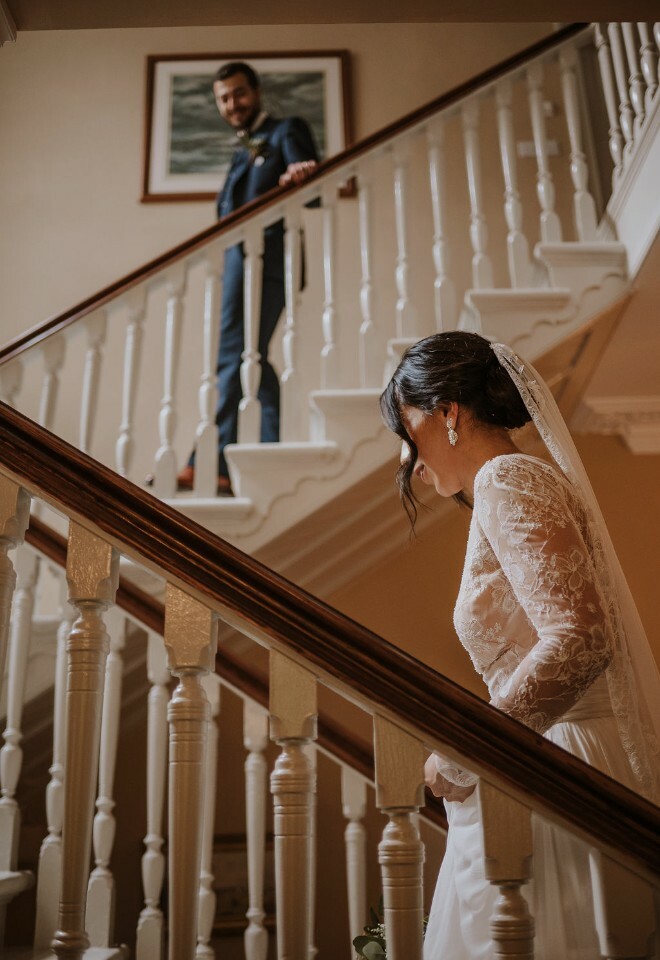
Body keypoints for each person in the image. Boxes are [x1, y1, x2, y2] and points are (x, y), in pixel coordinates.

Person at [379, 331, 660, 958]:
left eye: (409, 428)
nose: (409, 461)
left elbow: (581, 638)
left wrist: (465, 752)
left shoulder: (508, 479)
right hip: (547, 756)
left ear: (449, 411)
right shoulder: (512, 483)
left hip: (563, 765)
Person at [178, 61, 319, 495]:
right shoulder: (242, 150)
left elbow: (309, 180)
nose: (232, 104)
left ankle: (210, 461)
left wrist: (300, 173)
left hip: (269, 261)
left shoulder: (284, 130)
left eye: (238, 93)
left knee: (236, 357)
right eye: (223, 98)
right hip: (238, 264)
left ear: (255, 92)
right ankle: (258, 447)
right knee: (248, 357)